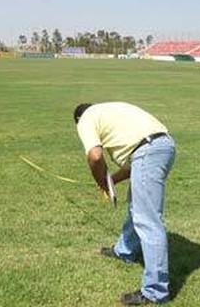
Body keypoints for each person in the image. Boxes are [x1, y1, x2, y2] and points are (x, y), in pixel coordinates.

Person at [73, 102, 176, 305]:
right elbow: (134, 165)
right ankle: (124, 251)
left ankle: (155, 291)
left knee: (148, 220)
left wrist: (100, 180)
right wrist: (110, 182)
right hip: (163, 145)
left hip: (148, 151)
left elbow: (95, 156)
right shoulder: (108, 112)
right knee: (136, 208)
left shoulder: (85, 119)